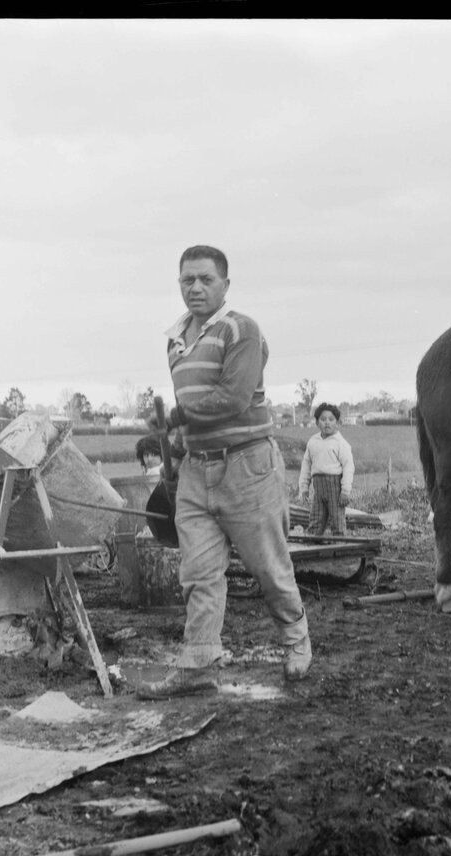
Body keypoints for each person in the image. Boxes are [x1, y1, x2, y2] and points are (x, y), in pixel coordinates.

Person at [136, 244, 312, 699]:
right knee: (198, 572)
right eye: (186, 280)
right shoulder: (175, 342)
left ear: (225, 285)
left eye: (205, 279)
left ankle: (296, 641)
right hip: (197, 472)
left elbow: (232, 399)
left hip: (247, 466)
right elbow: (193, 414)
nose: (195, 287)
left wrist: (174, 417)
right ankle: (198, 666)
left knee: (268, 567)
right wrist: (172, 444)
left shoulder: (242, 330)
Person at [298, 402, 355, 535]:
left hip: (335, 487)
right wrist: (304, 488)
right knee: (316, 518)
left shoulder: (341, 443)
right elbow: (306, 465)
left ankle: (340, 545)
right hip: (318, 487)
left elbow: (348, 467)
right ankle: (313, 545)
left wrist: (345, 491)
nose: (327, 423)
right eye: (323, 420)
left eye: (331, 419)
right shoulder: (313, 442)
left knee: (337, 519)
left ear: (337, 422)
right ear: (317, 423)